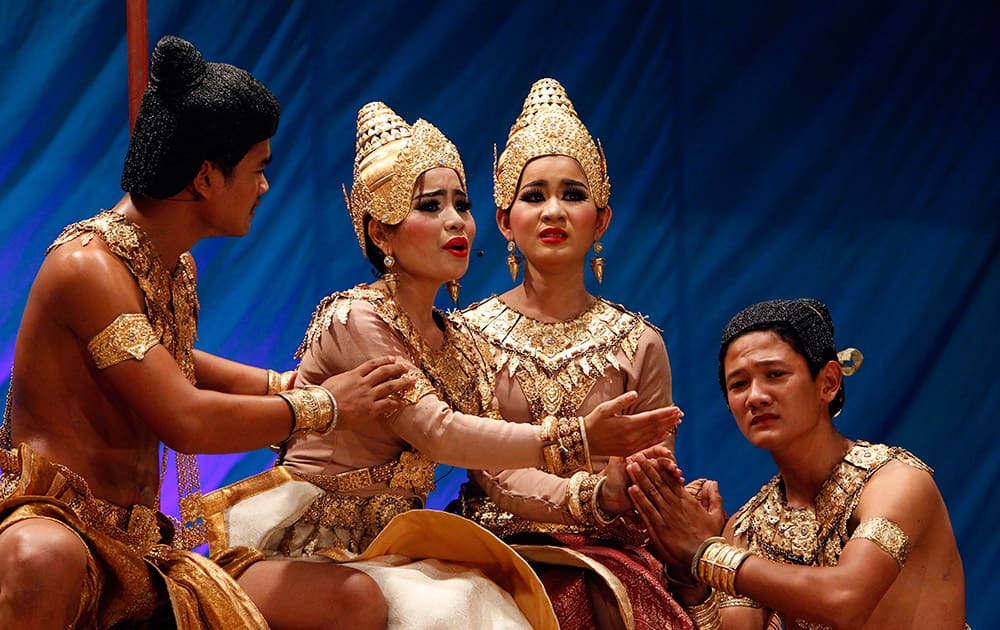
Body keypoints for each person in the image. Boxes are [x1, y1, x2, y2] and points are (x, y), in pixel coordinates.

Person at [204, 101, 682, 630]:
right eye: (430, 206)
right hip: (306, 543)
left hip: (391, 548)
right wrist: (578, 440)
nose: (455, 221)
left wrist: (601, 492)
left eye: (461, 204)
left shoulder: (458, 342)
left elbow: (497, 470)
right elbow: (439, 433)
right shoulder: (358, 316)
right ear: (381, 234)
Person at [0, 36, 413, 629]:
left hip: (144, 548)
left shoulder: (175, 265)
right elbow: (185, 419)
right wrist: (321, 406)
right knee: (42, 556)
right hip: (61, 529)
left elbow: (172, 361)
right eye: (257, 169)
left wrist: (280, 383)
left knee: (350, 598)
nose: (265, 188)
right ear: (205, 178)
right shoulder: (87, 268)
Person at [450, 77, 692, 629]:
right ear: (506, 222)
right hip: (495, 549)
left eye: (573, 195)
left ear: (601, 219)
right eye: (533, 196)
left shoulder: (639, 342)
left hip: (615, 555)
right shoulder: (467, 336)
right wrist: (596, 491)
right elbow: (492, 471)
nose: (553, 211)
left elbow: (652, 467)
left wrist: (630, 487)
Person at [626, 298, 968, 629]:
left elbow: (845, 599)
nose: (756, 396)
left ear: (828, 382)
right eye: (739, 384)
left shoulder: (895, 482)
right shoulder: (752, 526)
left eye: (775, 374)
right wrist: (688, 573)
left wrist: (705, 552)